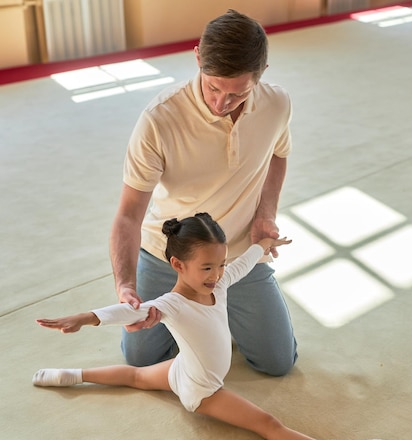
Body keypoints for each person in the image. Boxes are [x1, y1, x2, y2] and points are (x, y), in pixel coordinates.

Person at [33, 214, 383, 440]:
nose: (215, 275)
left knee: (135, 377)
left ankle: (70, 375)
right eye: (206, 268)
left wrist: (263, 244)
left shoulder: (219, 283)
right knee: (268, 424)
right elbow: (126, 312)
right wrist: (84, 317)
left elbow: (245, 264)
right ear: (177, 265)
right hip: (202, 389)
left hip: (182, 368)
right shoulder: (171, 304)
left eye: (220, 264)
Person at [110, 9, 297, 376]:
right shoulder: (159, 119)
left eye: (237, 93)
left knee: (277, 363)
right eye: (213, 87)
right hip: (170, 256)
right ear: (197, 58)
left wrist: (265, 214)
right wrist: (126, 285)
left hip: (239, 253)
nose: (221, 104)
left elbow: (279, 152)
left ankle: (218, 310)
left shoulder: (277, 104)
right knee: (142, 358)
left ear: (261, 74)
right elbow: (129, 214)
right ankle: (207, 310)